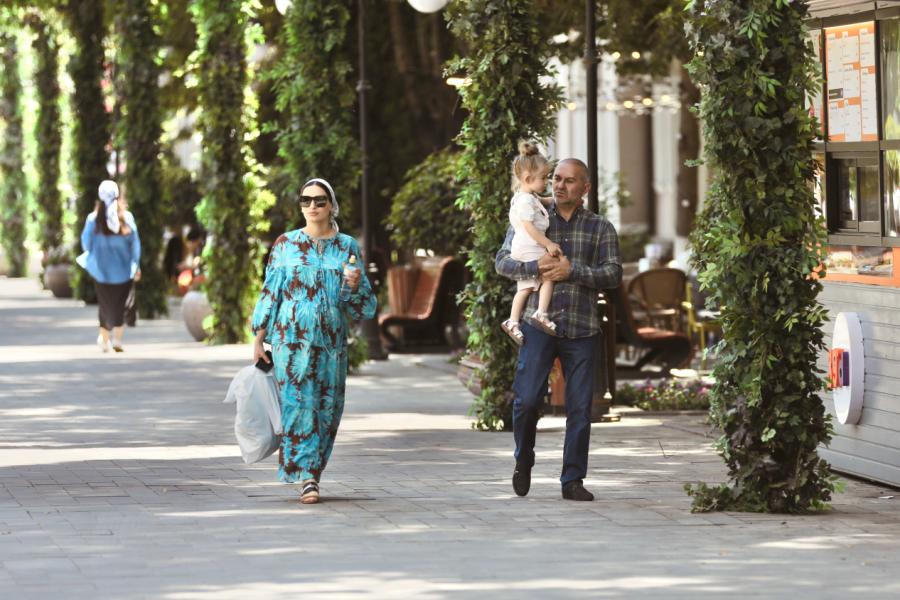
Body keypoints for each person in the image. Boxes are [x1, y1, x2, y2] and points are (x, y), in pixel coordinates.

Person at [495, 158, 622, 501]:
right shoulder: (533, 214)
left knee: (579, 408)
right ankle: (524, 459)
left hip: (582, 329)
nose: (560, 185)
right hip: (538, 326)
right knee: (526, 401)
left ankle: (572, 480)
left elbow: (613, 274)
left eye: (569, 181)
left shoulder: (600, 227)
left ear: (585, 188)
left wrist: (573, 271)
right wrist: (534, 266)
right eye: (557, 179)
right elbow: (502, 261)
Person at [251, 178, 376, 505]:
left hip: (331, 342)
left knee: (327, 409)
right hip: (290, 341)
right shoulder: (286, 244)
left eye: (320, 201)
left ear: (331, 205)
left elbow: (360, 306)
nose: (312, 206)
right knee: (298, 405)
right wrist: (259, 338)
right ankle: (307, 477)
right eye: (306, 200)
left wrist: (354, 284)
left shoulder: (347, 247)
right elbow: (270, 291)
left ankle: (314, 471)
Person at [501, 142, 561, 346]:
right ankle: (540, 313)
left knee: (525, 288)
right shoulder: (525, 201)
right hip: (530, 247)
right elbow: (530, 227)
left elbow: (539, 202)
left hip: (524, 247)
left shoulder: (526, 197)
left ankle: (514, 321)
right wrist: (549, 244)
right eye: (543, 178)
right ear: (527, 179)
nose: (547, 182)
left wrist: (550, 200)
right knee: (549, 276)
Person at [78, 180, 141, 353]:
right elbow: (135, 244)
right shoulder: (126, 218)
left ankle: (104, 340)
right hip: (124, 271)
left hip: (101, 271)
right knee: (120, 305)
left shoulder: (93, 219)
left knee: (105, 305)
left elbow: (86, 243)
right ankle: (117, 341)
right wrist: (136, 265)